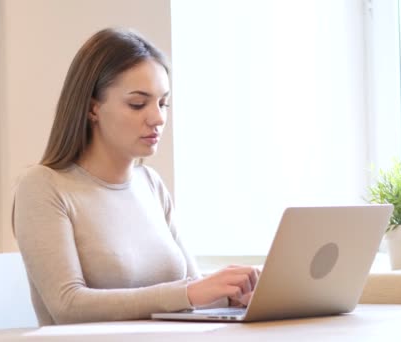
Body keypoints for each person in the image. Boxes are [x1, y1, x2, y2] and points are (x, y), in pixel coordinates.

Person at [13, 27, 259, 325]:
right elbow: (68, 305)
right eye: (138, 104)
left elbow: (192, 287)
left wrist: (234, 293)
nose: (157, 118)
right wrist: (192, 292)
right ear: (93, 108)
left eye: (163, 103)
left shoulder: (150, 183)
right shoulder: (43, 187)